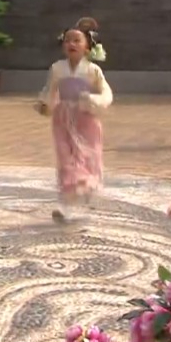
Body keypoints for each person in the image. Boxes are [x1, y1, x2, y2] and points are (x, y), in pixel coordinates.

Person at [35, 21, 114, 224]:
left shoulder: (93, 70)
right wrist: (45, 104)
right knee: (65, 158)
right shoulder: (57, 68)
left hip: (85, 118)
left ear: (87, 46)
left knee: (86, 155)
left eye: (77, 40)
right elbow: (50, 90)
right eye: (67, 40)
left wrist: (94, 100)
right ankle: (66, 203)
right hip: (62, 118)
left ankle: (85, 188)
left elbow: (106, 92)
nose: (71, 43)